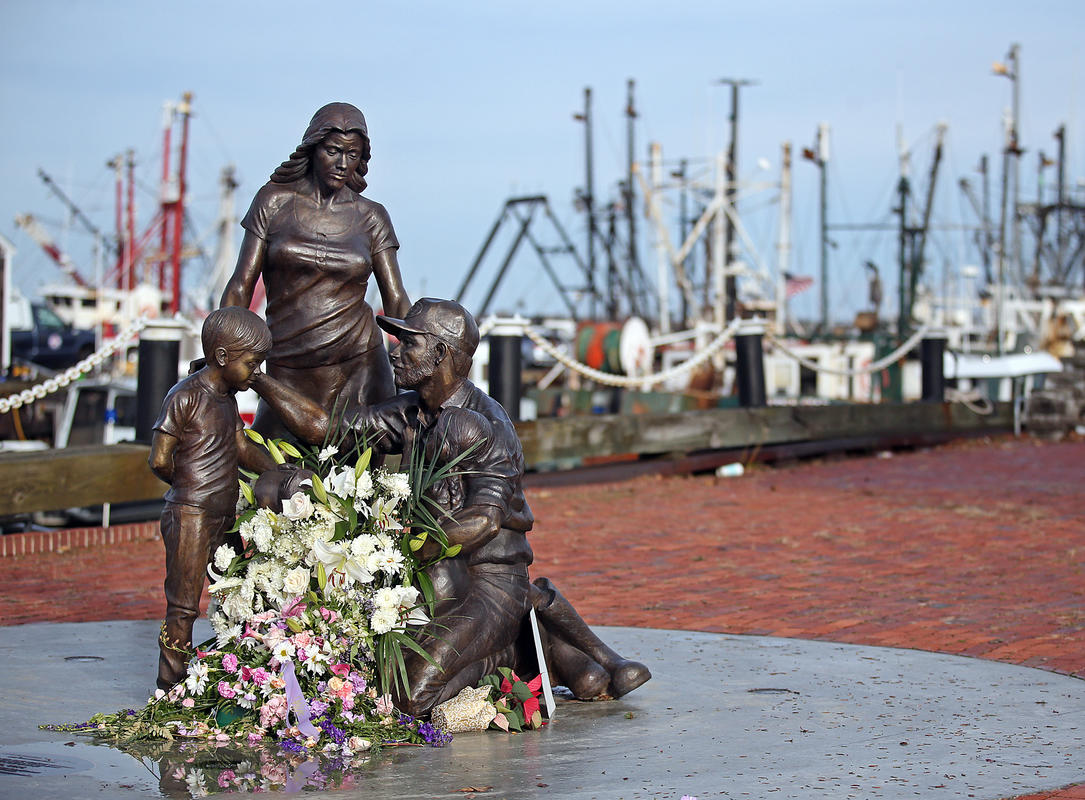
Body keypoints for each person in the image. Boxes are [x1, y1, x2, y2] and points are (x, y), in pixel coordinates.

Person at [250, 298, 649, 716]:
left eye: (409, 343)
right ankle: (536, 643)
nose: (395, 350)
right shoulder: (410, 411)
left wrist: (403, 544)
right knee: (370, 677)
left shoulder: (488, 425)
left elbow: (485, 519)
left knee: (408, 697)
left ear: (440, 353)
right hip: (434, 579)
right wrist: (256, 380)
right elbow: (328, 428)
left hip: (490, 581)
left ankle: (508, 654)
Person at [221, 102, 410, 441]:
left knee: (366, 479)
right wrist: (220, 343)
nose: (342, 164)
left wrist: (425, 349)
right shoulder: (272, 202)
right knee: (270, 468)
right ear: (312, 148)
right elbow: (240, 286)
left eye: (352, 155)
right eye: (333, 151)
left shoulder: (372, 217)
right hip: (288, 366)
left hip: (360, 365)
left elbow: (395, 299)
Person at [148, 307, 280, 690]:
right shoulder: (185, 396)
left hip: (223, 514)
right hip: (190, 514)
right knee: (184, 604)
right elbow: (159, 459)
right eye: (252, 364)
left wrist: (274, 467)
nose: (257, 373)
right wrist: (190, 487)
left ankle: (235, 679)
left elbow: (240, 445)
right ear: (222, 357)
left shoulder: (226, 399)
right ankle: (169, 687)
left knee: (239, 591)